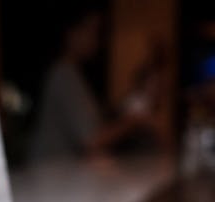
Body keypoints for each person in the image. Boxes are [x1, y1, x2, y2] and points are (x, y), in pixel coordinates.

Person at [31, 7, 165, 159]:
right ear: (72, 33)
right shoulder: (63, 74)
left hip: (61, 170)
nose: (95, 40)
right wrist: (133, 120)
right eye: (92, 30)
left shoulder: (75, 75)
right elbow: (91, 140)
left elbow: (91, 133)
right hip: (49, 171)